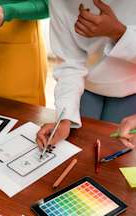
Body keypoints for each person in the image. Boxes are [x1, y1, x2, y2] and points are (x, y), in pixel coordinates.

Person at [36, 0, 136, 148]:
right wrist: (65, 119)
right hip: (86, 85)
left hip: (130, 86)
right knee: (79, 143)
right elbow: (69, 64)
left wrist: (118, 33)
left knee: (116, 148)